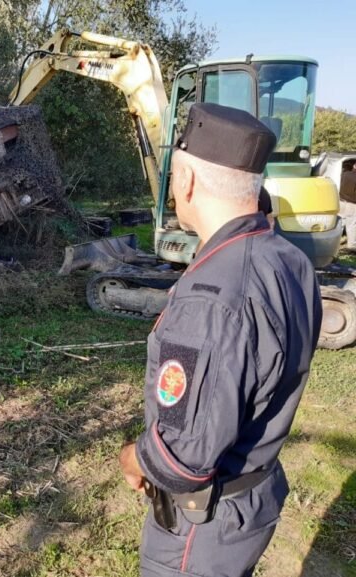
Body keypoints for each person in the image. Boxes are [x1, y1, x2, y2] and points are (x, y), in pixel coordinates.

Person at [118, 103, 322, 577]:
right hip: (253, 497)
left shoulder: (212, 297)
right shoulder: (288, 259)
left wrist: (132, 458)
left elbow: (181, 461)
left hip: (201, 527)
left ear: (186, 181)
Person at [339, 163, 356, 251]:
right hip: (352, 204)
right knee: (351, 225)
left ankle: (334, 243)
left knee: (339, 224)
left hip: (341, 201)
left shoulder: (344, 174)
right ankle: (351, 246)